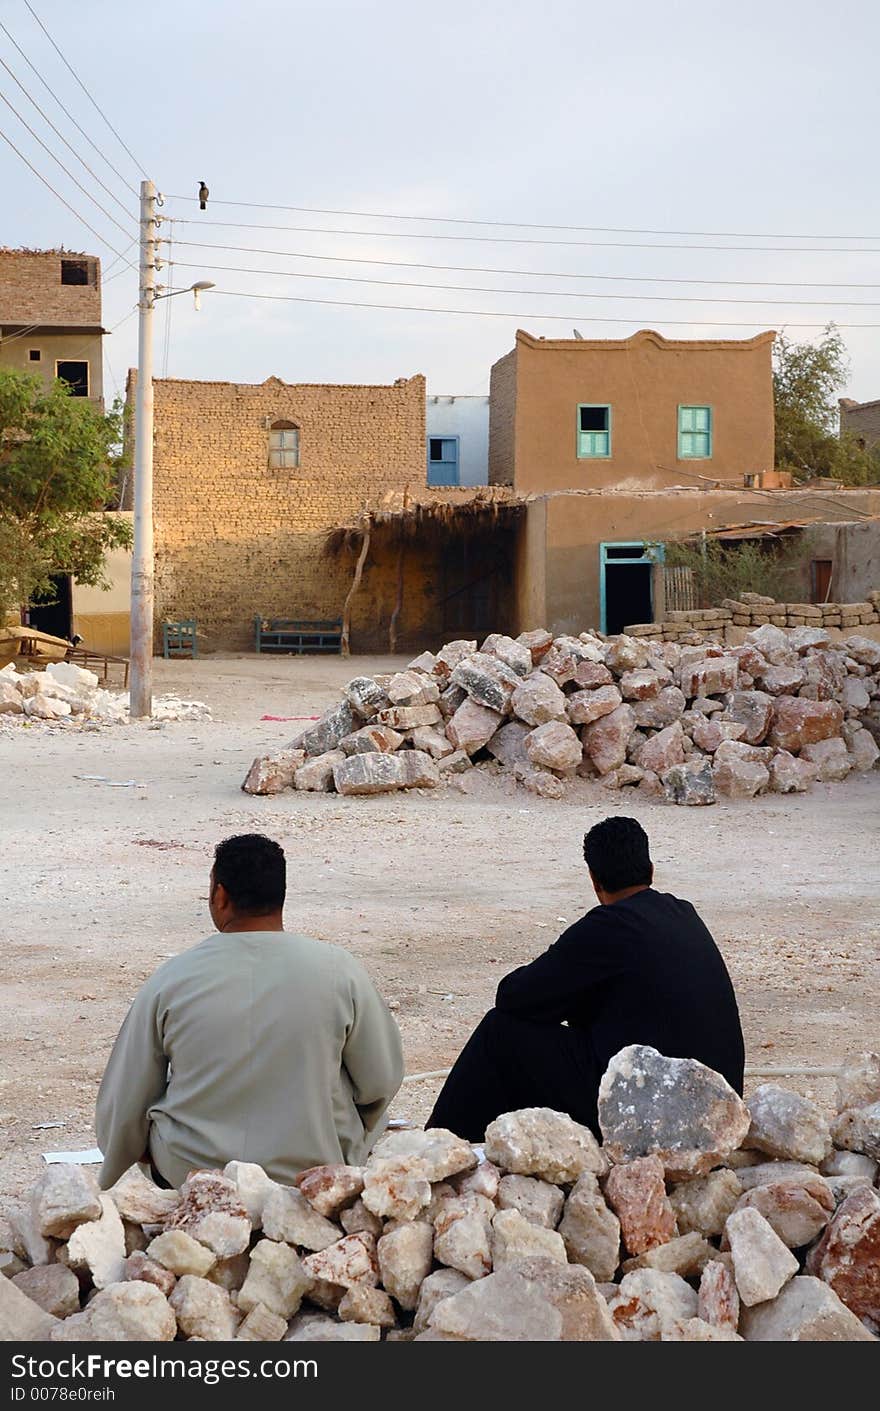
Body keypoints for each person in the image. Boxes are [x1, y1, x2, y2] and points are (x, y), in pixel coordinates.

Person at [96, 834, 404, 1189]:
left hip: (195, 1175)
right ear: (280, 897)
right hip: (309, 1171)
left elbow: (125, 1098)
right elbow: (381, 1079)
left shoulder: (173, 978)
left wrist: (129, 1152)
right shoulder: (339, 970)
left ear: (220, 895)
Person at [427, 815, 744, 1141]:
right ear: (650, 870)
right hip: (718, 1114)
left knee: (500, 1033)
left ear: (594, 880)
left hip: (653, 1119)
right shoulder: (683, 914)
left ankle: (438, 1145)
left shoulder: (608, 927)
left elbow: (514, 996)